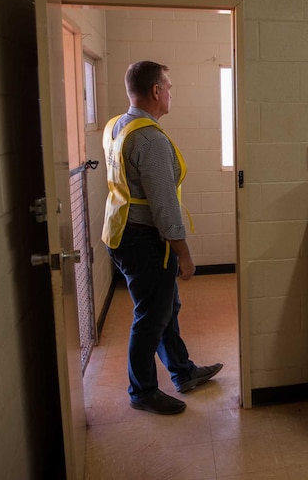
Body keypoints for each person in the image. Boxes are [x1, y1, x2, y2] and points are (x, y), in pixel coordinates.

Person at [102, 60, 222, 416]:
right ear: (156, 91)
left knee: (164, 307)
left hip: (121, 231)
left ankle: (182, 371)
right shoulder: (150, 139)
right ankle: (142, 391)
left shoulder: (117, 126)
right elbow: (165, 207)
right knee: (151, 317)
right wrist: (183, 254)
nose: (171, 93)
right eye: (168, 87)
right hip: (143, 239)